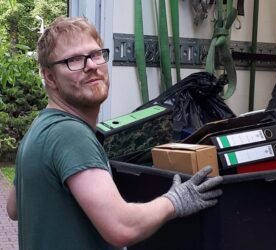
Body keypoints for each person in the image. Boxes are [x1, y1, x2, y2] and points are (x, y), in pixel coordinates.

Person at [6, 16, 223, 250]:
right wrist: (175, 201)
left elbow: (13, 208)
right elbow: (121, 228)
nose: (91, 65)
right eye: (75, 60)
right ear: (50, 77)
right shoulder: (70, 135)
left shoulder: (40, 128)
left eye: (95, 54)